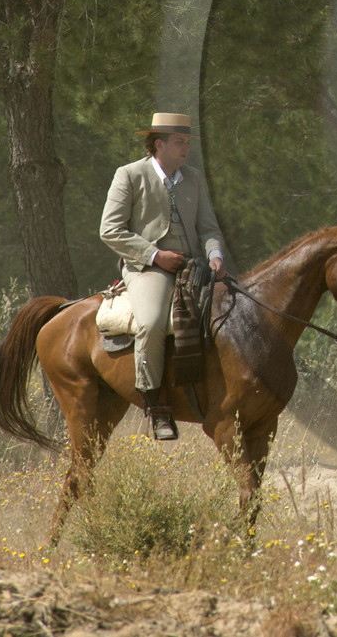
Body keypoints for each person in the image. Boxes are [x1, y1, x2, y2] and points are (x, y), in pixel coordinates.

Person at [99, 112, 227, 441]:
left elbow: (209, 228)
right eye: (180, 143)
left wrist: (214, 255)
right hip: (149, 268)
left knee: (232, 313)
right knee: (152, 322)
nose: (186, 149)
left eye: (187, 143)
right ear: (159, 145)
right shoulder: (129, 175)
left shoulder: (194, 178)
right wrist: (155, 255)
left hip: (194, 264)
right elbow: (109, 230)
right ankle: (156, 407)